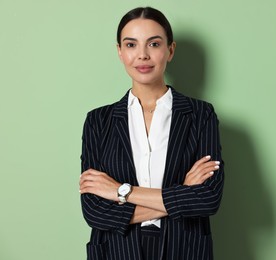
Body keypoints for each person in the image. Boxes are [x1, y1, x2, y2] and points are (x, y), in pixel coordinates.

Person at [79, 6, 224, 260]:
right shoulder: (97, 121)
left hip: (185, 250)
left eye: (154, 44)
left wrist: (121, 192)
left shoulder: (201, 115)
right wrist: (181, 191)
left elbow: (207, 199)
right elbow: (95, 212)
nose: (142, 55)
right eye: (131, 45)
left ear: (170, 50)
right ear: (120, 52)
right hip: (116, 252)